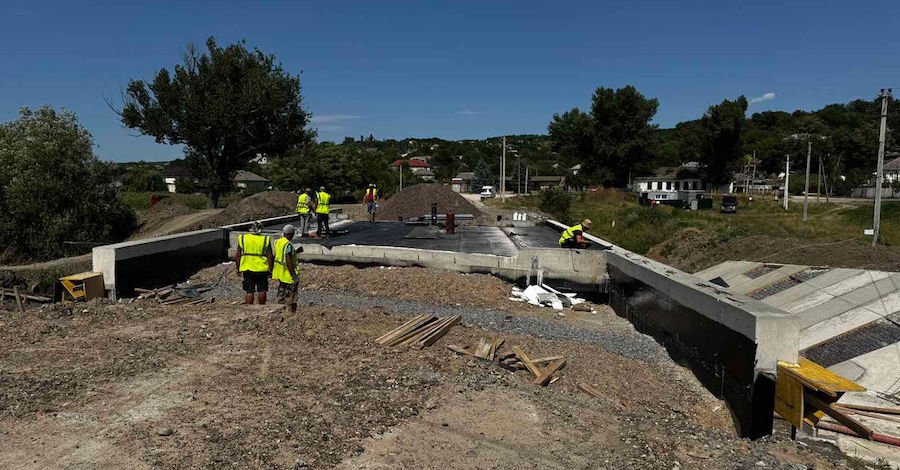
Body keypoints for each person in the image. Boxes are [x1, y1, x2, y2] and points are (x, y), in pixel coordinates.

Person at [235, 221, 274, 305]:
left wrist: (238, 268)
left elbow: (238, 255)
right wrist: (271, 269)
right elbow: (270, 255)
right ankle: (262, 308)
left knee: (249, 290)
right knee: (262, 289)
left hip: (247, 267)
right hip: (262, 268)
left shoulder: (242, 238)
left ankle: (250, 309)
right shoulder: (265, 239)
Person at [272, 224, 303, 314]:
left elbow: (282, 254)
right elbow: (288, 260)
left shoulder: (278, 242)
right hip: (288, 274)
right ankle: (291, 313)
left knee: (281, 293)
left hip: (280, 273)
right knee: (291, 296)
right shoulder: (288, 244)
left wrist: (296, 252)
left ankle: (279, 311)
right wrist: (293, 275)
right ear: (290, 234)